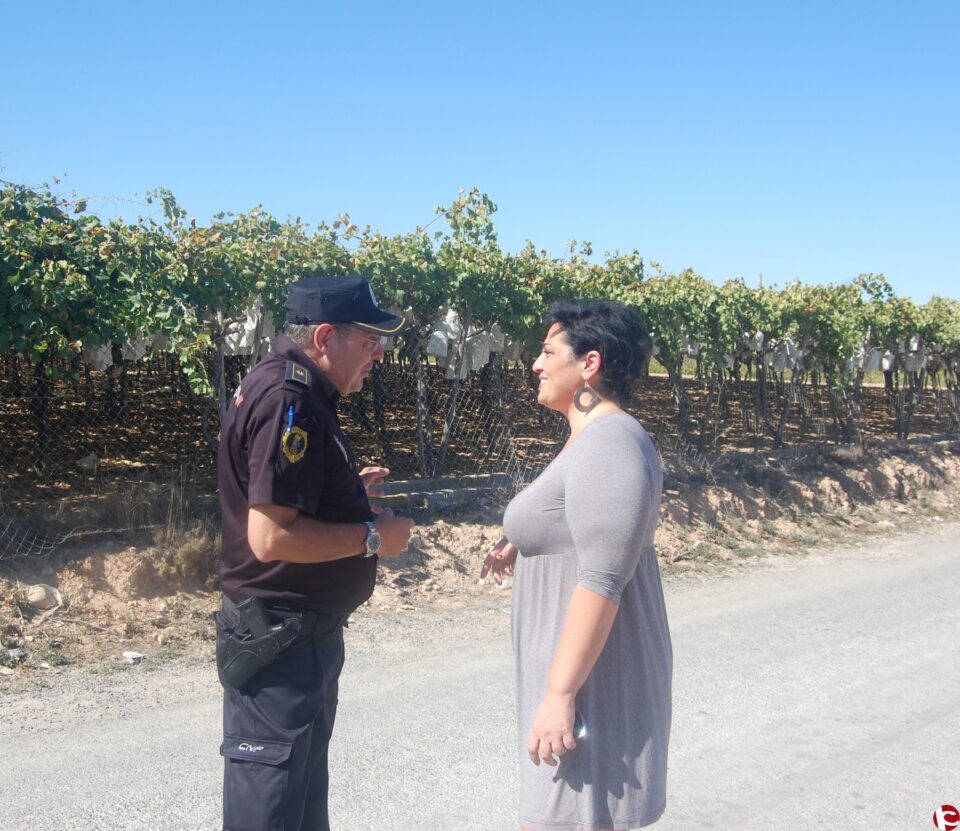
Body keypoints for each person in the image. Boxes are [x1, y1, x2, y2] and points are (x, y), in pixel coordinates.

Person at [215, 273, 415, 831]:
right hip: (281, 639)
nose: (378, 353)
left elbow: (286, 501)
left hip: (298, 638)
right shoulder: (289, 399)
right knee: (270, 810)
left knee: (297, 808)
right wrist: (374, 537)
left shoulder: (298, 391)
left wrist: (346, 492)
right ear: (325, 337)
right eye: (368, 340)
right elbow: (271, 537)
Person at [481, 299, 672, 831]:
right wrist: (520, 540)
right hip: (573, 672)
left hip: (591, 681)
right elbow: (575, 519)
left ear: (589, 364)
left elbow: (603, 576)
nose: (536, 365)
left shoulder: (610, 442)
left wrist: (561, 694)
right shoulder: (586, 440)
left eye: (547, 352)